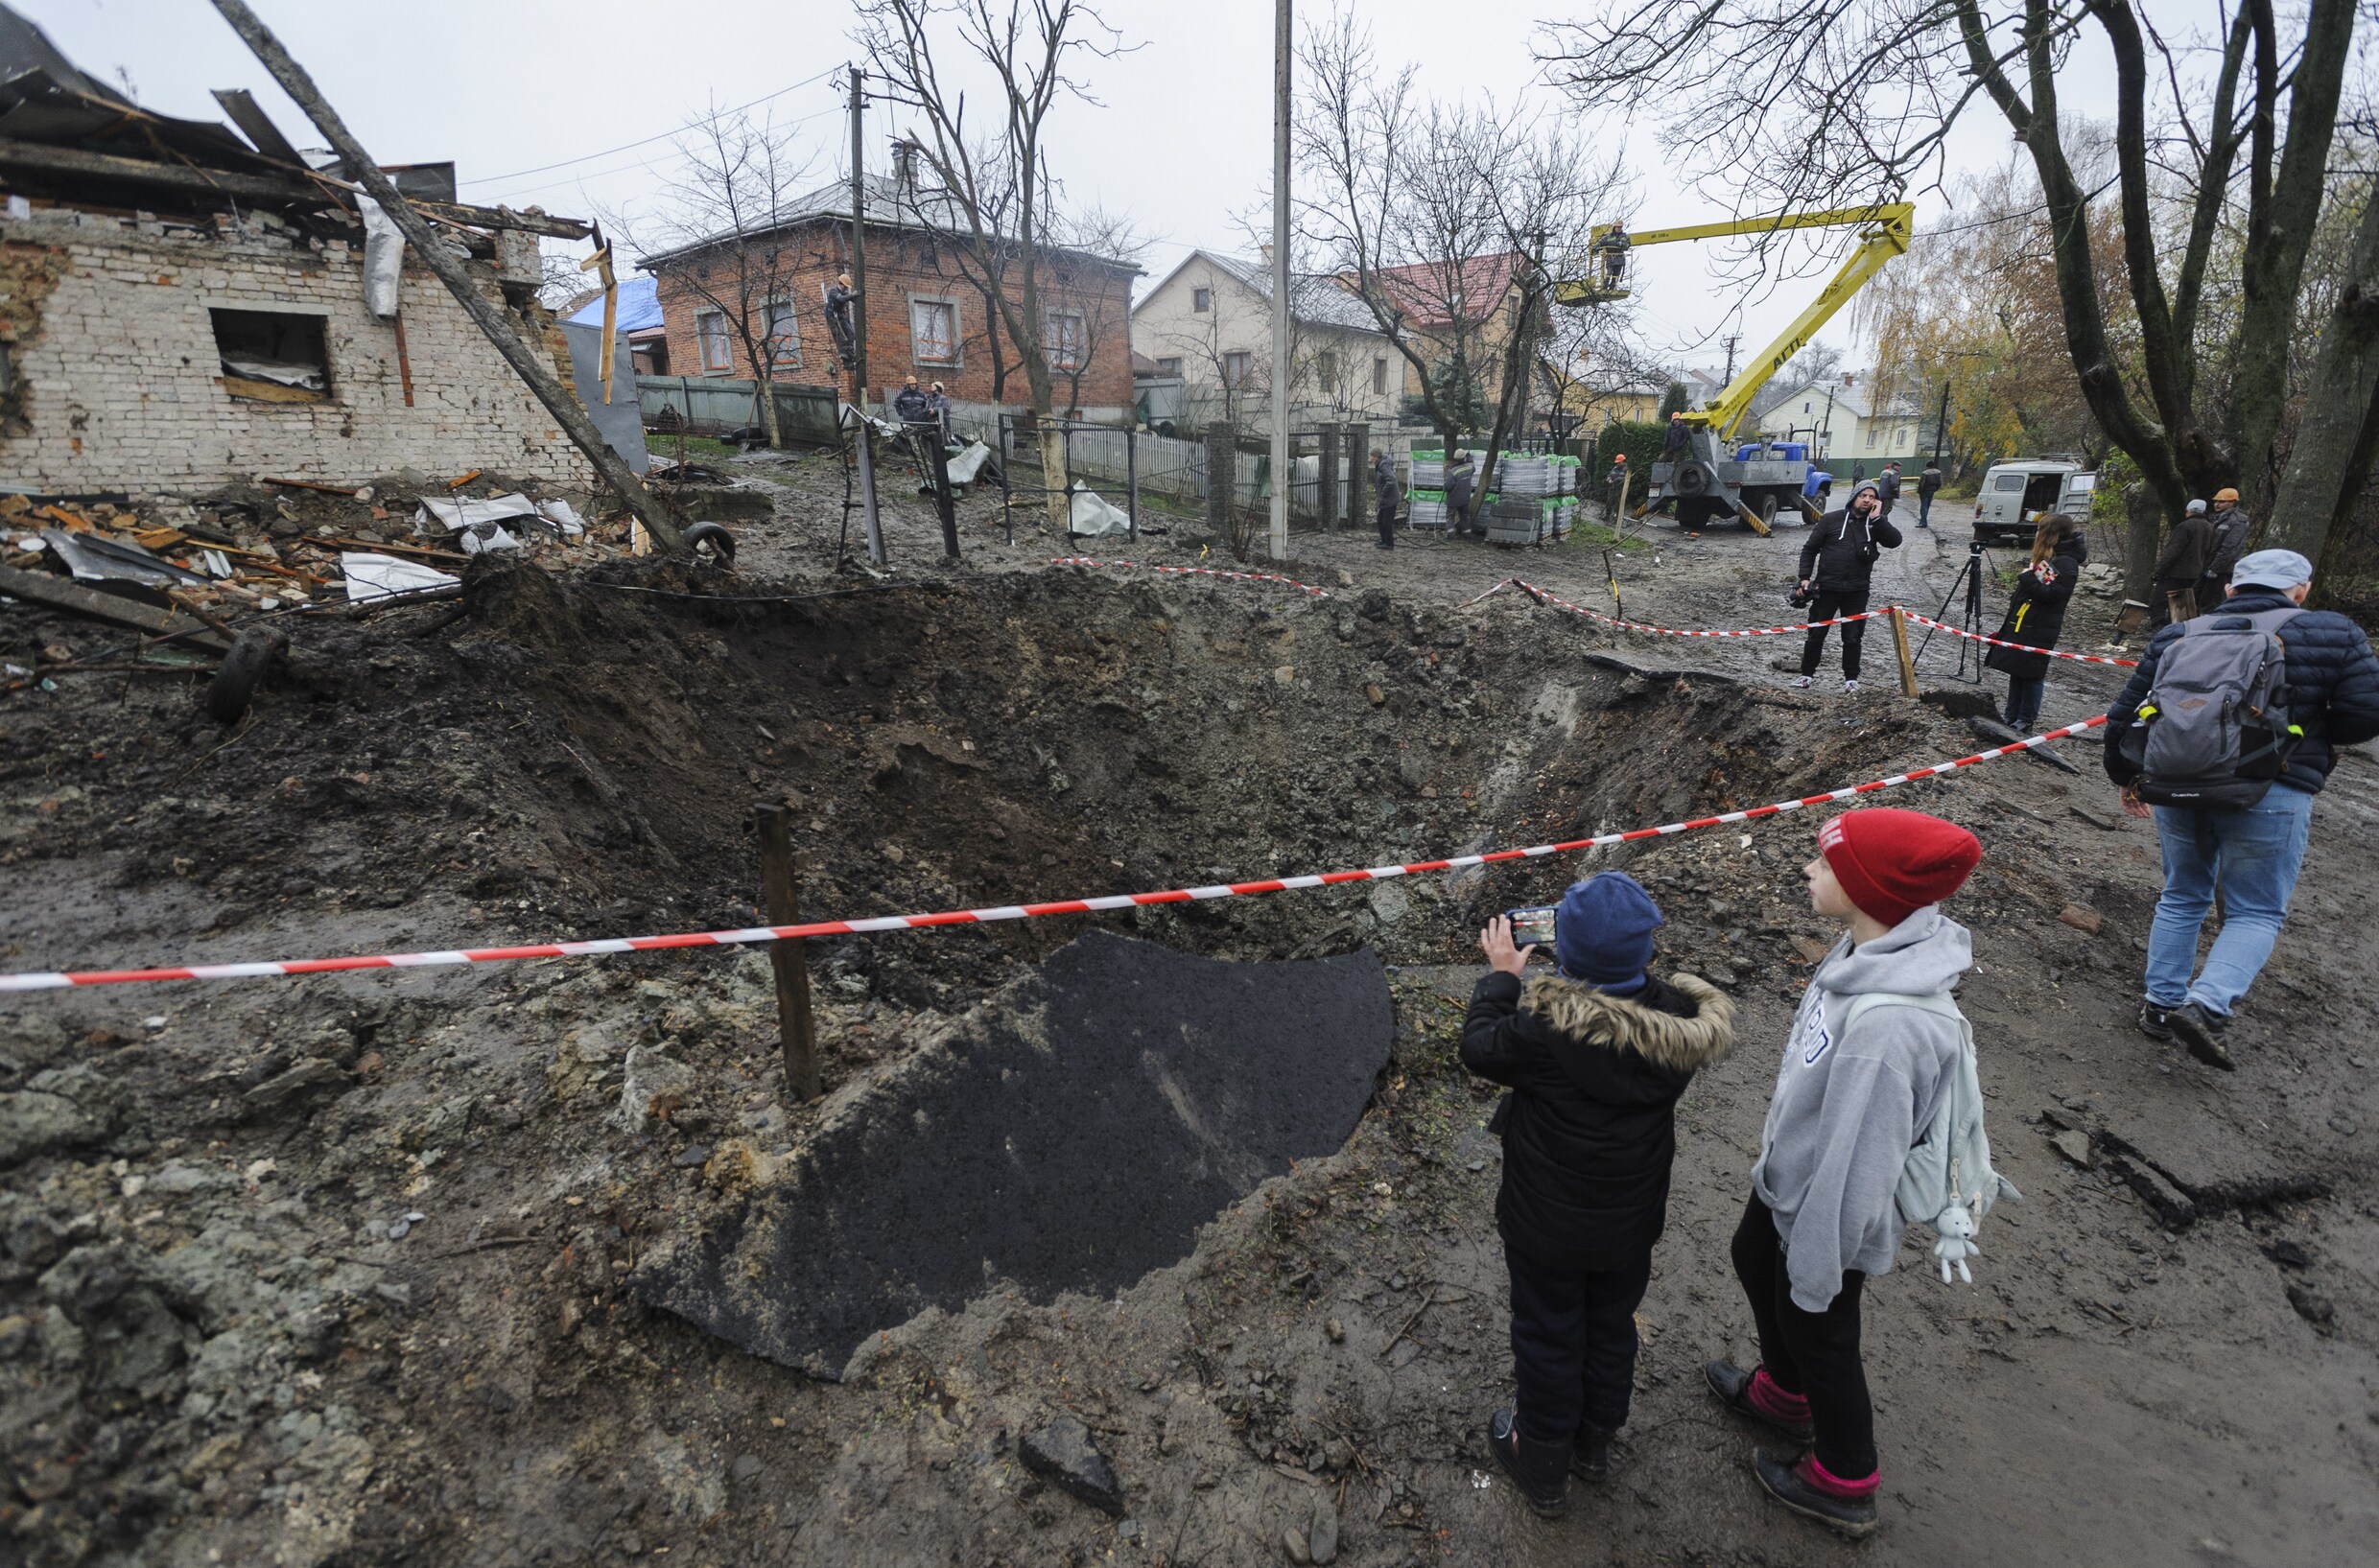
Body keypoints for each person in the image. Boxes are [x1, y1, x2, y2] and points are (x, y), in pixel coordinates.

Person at [1707, 807, 1984, 1541]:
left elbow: (1861, 1158)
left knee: (1819, 1322)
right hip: (1792, 1182)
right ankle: (1785, 1393)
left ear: (1870, 891)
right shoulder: (1866, 945)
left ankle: (1845, 1475)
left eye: (1827, 866)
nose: (1809, 870)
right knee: (1749, 1253)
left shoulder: (1890, 1030)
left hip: (1825, 1210)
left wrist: (1820, 1260)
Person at [1465, 875, 1735, 1519]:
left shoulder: (1541, 1028)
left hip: (1544, 1227)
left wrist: (1503, 977)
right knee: (1610, 1326)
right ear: (1647, 953)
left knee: (1548, 1332)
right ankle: (1594, 1444)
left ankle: (1542, 1459)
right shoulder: (1677, 1027)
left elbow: (1478, 1046)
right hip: (1628, 1224)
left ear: (1563, 953)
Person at [2104, 549, 2379, 1069]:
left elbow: (2127, 714)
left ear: (2231, 589)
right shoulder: (2334, 633)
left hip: (2179, 783)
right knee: (2255, 910)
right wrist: (2310, 739)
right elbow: (2363, 718)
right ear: (2301, 590)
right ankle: (2207, 1004)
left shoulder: (2179, 635)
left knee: (2183, 893)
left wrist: (2126, 778)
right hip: (2272, 786)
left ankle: (2161, 1007)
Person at [1794, 480, 1902, 692]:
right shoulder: (1831, 520)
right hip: (1826, 588)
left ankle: (1851, 680)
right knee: (1816, 634)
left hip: (1857, 591)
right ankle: (1806, 675)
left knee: (1852, 637)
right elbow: (1809, 549)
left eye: (1872, 497)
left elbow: (1895, 541)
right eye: (1864, 496)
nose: (1867, 500)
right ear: (1854, 497)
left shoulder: (1876, 524)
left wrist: (1878, 519)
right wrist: (1804, 578)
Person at [1983, 513, 2085, 730]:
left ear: (2049, 534)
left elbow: (2054, 595)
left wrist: (2028, 577)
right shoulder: (2051, 558)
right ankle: (2011, 715)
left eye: (2040, 530)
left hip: (2041, 627)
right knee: (2017, 669)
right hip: (2026, 622)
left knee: (2032, 674)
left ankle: (2025, 720)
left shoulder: (2066, 563)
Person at [2153, 499, 2216, 625]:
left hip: (2176, 572)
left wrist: (2159, 571)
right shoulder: (2210, 527)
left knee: (2159, 600)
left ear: (2188, 511)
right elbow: (2210, 551)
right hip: (2195, 572)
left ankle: (2158, 626)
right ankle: (2180, 626)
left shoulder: (2184, 527)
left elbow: (2173, 551)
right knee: (2183, 602)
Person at [2202, 486, 2250, 601]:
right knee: (2203, 598)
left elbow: (2229, 548)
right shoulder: (2216, 518)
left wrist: (2215, 569)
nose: (2217, 504)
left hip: (2224, 570)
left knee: (2216, 600)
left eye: (2222, 502)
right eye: (2216, 501)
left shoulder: (2238, 521)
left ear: (2232, 502)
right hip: (2209, 566)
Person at [823, 272, 859, 367]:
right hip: (831, 316)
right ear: (841, 284)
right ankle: (846, 361)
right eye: (845, 286)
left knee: (850, 333)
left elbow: (850, 298)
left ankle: (851, 355)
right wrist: (852, 295)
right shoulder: (833, 291)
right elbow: (841, 299)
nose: (846, 289)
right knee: (840, 337)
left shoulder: (844, 292)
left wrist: (858, 295)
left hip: (840, 315)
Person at [1373, 449, 1401, 550]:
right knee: (1380, 520)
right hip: (1386, 499)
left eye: (1372, 456)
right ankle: (1384, 540)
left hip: (1390, 499)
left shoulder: (1384, 466)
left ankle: (1389, 543)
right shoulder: (1382, 465)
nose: (1371, 459)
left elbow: (1391, 480)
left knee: (1386, 521)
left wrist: (1383, 494)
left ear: (1376, 456)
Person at [1447, 450, 1477, 535]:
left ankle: (1450, 534)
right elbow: (1473, 467)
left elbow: (1447, 487)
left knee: (1450, 516)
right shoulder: (1469, 468)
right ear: (1464, 458)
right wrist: (1470, 459)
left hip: (1453, 499)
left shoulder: (1453, 471)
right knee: (1465, 516)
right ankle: (1467, 534)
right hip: (1465, 498)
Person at [1595, 222, 1631, 292]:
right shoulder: (1608, 237)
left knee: (1616, 275)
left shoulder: (1625, 236)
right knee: (1609, 273)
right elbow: (1601, 242)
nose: (1619, 228)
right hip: (1610, 258)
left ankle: (1612, 288)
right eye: (1618, 227)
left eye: (1620, 227)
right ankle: (1605, 287)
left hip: (1620, 258)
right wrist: (1596, 247)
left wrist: (1622, 244)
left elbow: (1628, 245)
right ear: (1615, 227)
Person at [1915, 460, 1942, 529]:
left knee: (1923, 506)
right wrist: (1935, 489)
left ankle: (1923, 522)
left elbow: (1922, 483)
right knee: (1927, 506)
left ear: (1927, 466)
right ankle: (1923, 521)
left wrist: (1919, 491)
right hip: (1932, 491)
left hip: (1925, 491)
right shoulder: (1938, 472)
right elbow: (1939, 482)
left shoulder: (1925, 473)